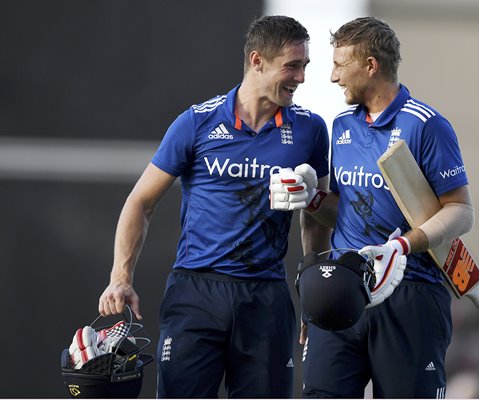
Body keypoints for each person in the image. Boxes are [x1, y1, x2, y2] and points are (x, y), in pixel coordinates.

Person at [97, 15, 330, 398]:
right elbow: (140, 201)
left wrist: (315, 281)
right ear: (257, 61)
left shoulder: (311, 130)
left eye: (305, 66)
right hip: (196, 293)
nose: (301, 77)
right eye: (292, 65)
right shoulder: (197, 122)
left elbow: (320, 219)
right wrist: (120, 277)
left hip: (266, 298)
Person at [270, 17, 475, 398]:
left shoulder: (427, 126)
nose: (332, 77)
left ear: (370, 65)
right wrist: (312, 200)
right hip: (346, 288)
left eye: (339, 65)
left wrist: (402, 245)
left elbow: (461, 211)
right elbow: (346, 211)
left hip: (411, 291)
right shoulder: (342, 126)